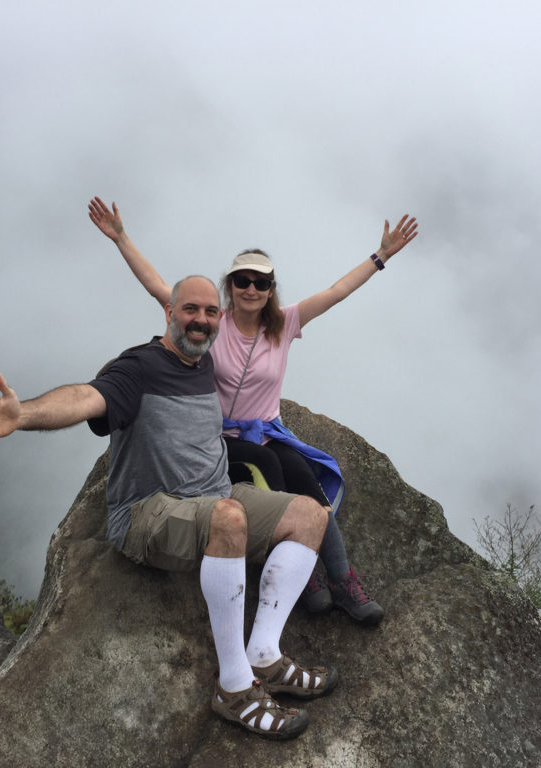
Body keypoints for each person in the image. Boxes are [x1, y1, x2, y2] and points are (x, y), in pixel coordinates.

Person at [0, 275, 337, 740]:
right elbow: (87, 396)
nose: (199, 320)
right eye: (189, 310)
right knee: (229, 518)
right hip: (149, 512)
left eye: (209, 312)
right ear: (169, 312)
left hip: (217, 494)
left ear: (219, 319)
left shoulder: (203, 363)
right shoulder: (139, 368)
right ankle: (235, 689)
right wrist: (24, 414)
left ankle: (264, 651)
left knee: (310, 515)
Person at [87, 196, 419, 625]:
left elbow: (337, 291)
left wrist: (381, 256)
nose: (250, 289)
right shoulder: (212, 323)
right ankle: (294, 572)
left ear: (270, 290)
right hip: (220, 438)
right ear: (230, 286)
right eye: (242, 280)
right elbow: (160, 289)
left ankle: (341, 578)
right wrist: (121, 238)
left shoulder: (286, 324)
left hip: (267, 430)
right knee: (267, 471)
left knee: (303, 476)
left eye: (260, 283)